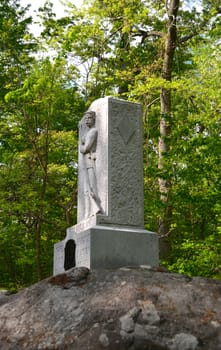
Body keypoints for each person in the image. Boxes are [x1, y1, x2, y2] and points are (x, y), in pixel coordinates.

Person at [80, 110, 102, 218]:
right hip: (85, 163)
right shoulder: (87, 132)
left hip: (90, 162)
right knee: (86, 188)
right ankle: (88, 212)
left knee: (91, 188)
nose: (87, 120)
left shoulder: (93, 131)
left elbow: (85, 148)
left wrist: (81, 147)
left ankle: (95, 209)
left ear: (94, 119)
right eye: (86, 118)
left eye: (89, 118)